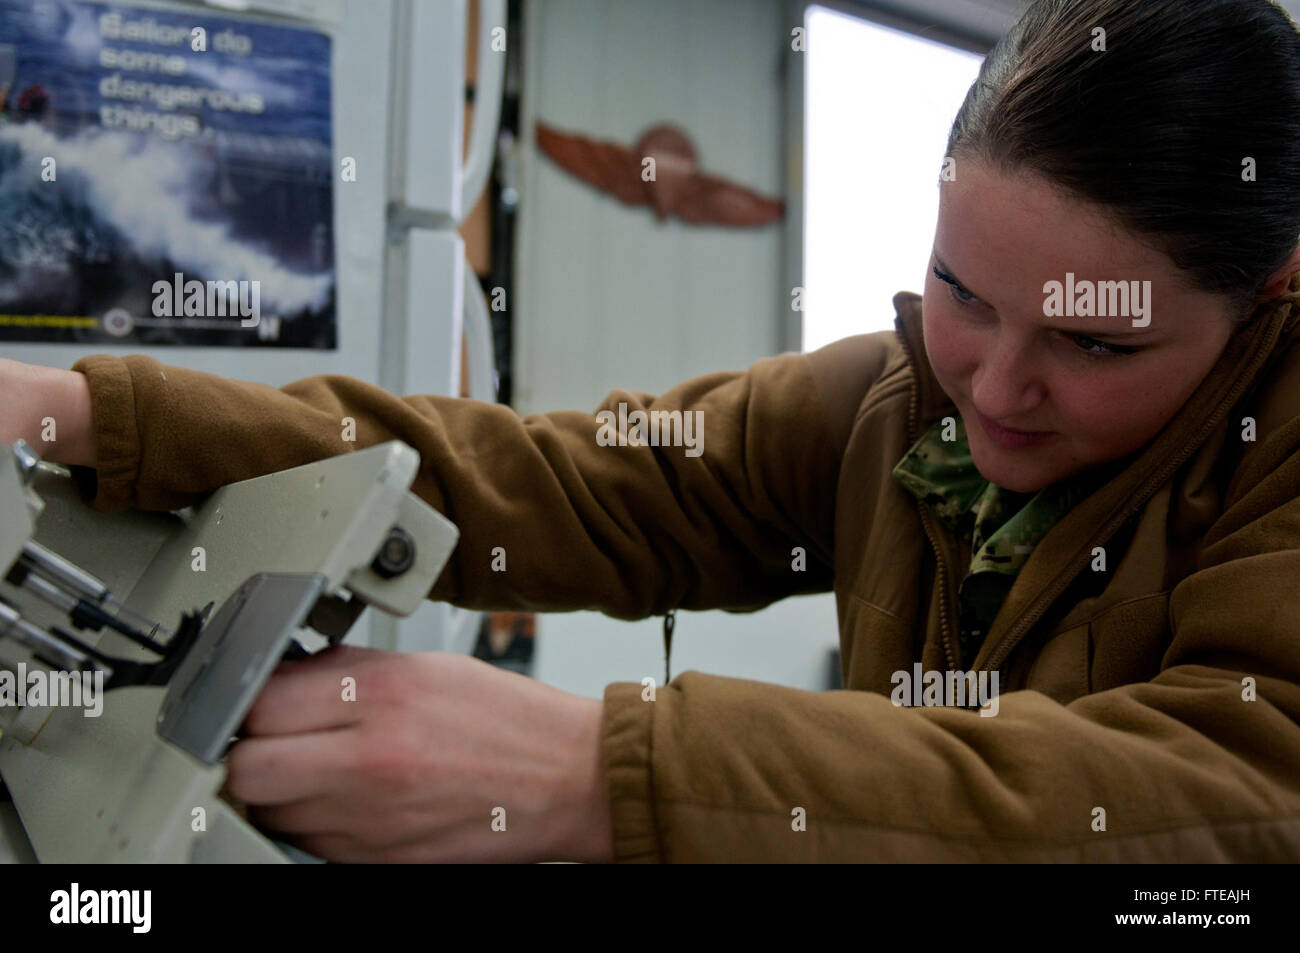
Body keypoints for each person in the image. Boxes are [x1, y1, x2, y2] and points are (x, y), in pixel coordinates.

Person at [5, 0, 1300, 863]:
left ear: (1272, 289)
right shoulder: (891, 408)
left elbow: (1235, 794)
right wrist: (85, 414)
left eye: (1095, 344)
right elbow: (567, 482)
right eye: (963, 292)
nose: (995, 387)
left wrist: (597, 770)